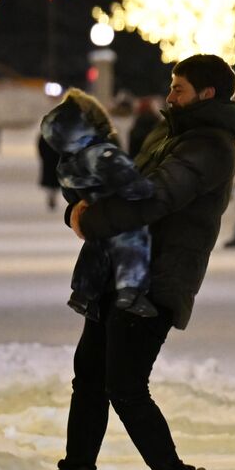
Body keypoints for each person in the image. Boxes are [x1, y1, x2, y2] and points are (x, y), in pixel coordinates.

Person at [38, 54, 235, 470]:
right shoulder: (173, 133)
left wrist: (89, 220)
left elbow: (153, 197)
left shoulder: (209, 145)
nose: (170, 94)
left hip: (156, 278)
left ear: (206, 94)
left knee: (126, 383)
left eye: (179, 88)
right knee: (89, 375)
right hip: (121, 268)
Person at [40, 89, 158, 319]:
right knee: (132, 245)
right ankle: (130, 292)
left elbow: (72, 195)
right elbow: (130, 182)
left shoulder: (67, 162)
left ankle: (83, 292)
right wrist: (145, 188)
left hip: (94, 213)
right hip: (116, 209)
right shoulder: (101, 153)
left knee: (96, 250)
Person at [37, 130, 61, 211]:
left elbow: (40, 146)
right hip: (55, 161)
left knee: (51, 183)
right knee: (54, 182)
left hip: (49, 161)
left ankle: (52, 195)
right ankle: (52, 195)